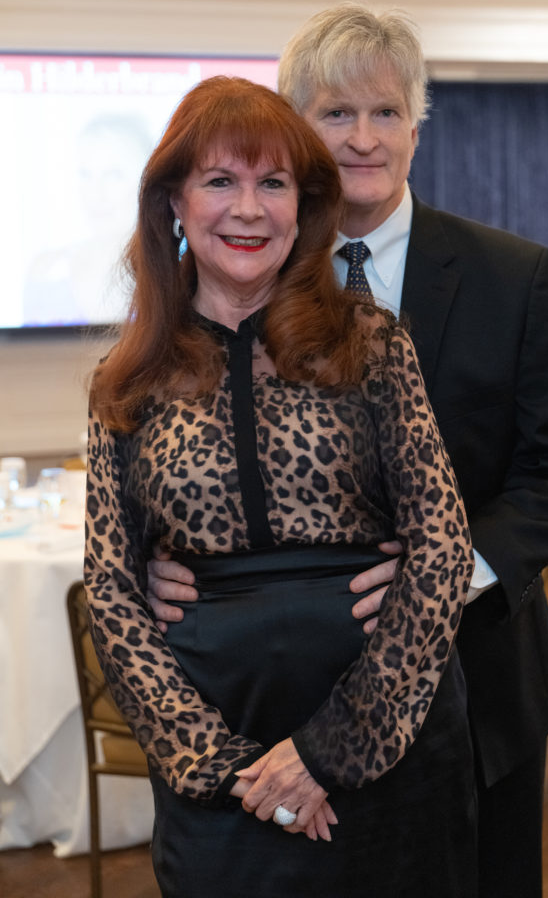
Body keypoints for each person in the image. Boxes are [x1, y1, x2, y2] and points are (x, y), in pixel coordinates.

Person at [147, 4, 548, 898]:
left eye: (386, 112)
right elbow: (182, 457)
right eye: (334, 113)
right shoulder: (244, 274)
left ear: (416, 125)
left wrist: (451, 571)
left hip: (477, 688)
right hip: (288, 706)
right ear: (298, 132)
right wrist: (161, 557)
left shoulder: (514, 275)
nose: (363, 138)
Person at [84, 75, 478, 898]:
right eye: (221, 181)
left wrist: (331, 751)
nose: (249, 209)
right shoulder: (128, 377)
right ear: (174, 203)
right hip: (219, 773)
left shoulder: (369, 341)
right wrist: (227, 768)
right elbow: (113, 595)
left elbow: (441, 548)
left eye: (273, 183)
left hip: (384, 746)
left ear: (305, 206)